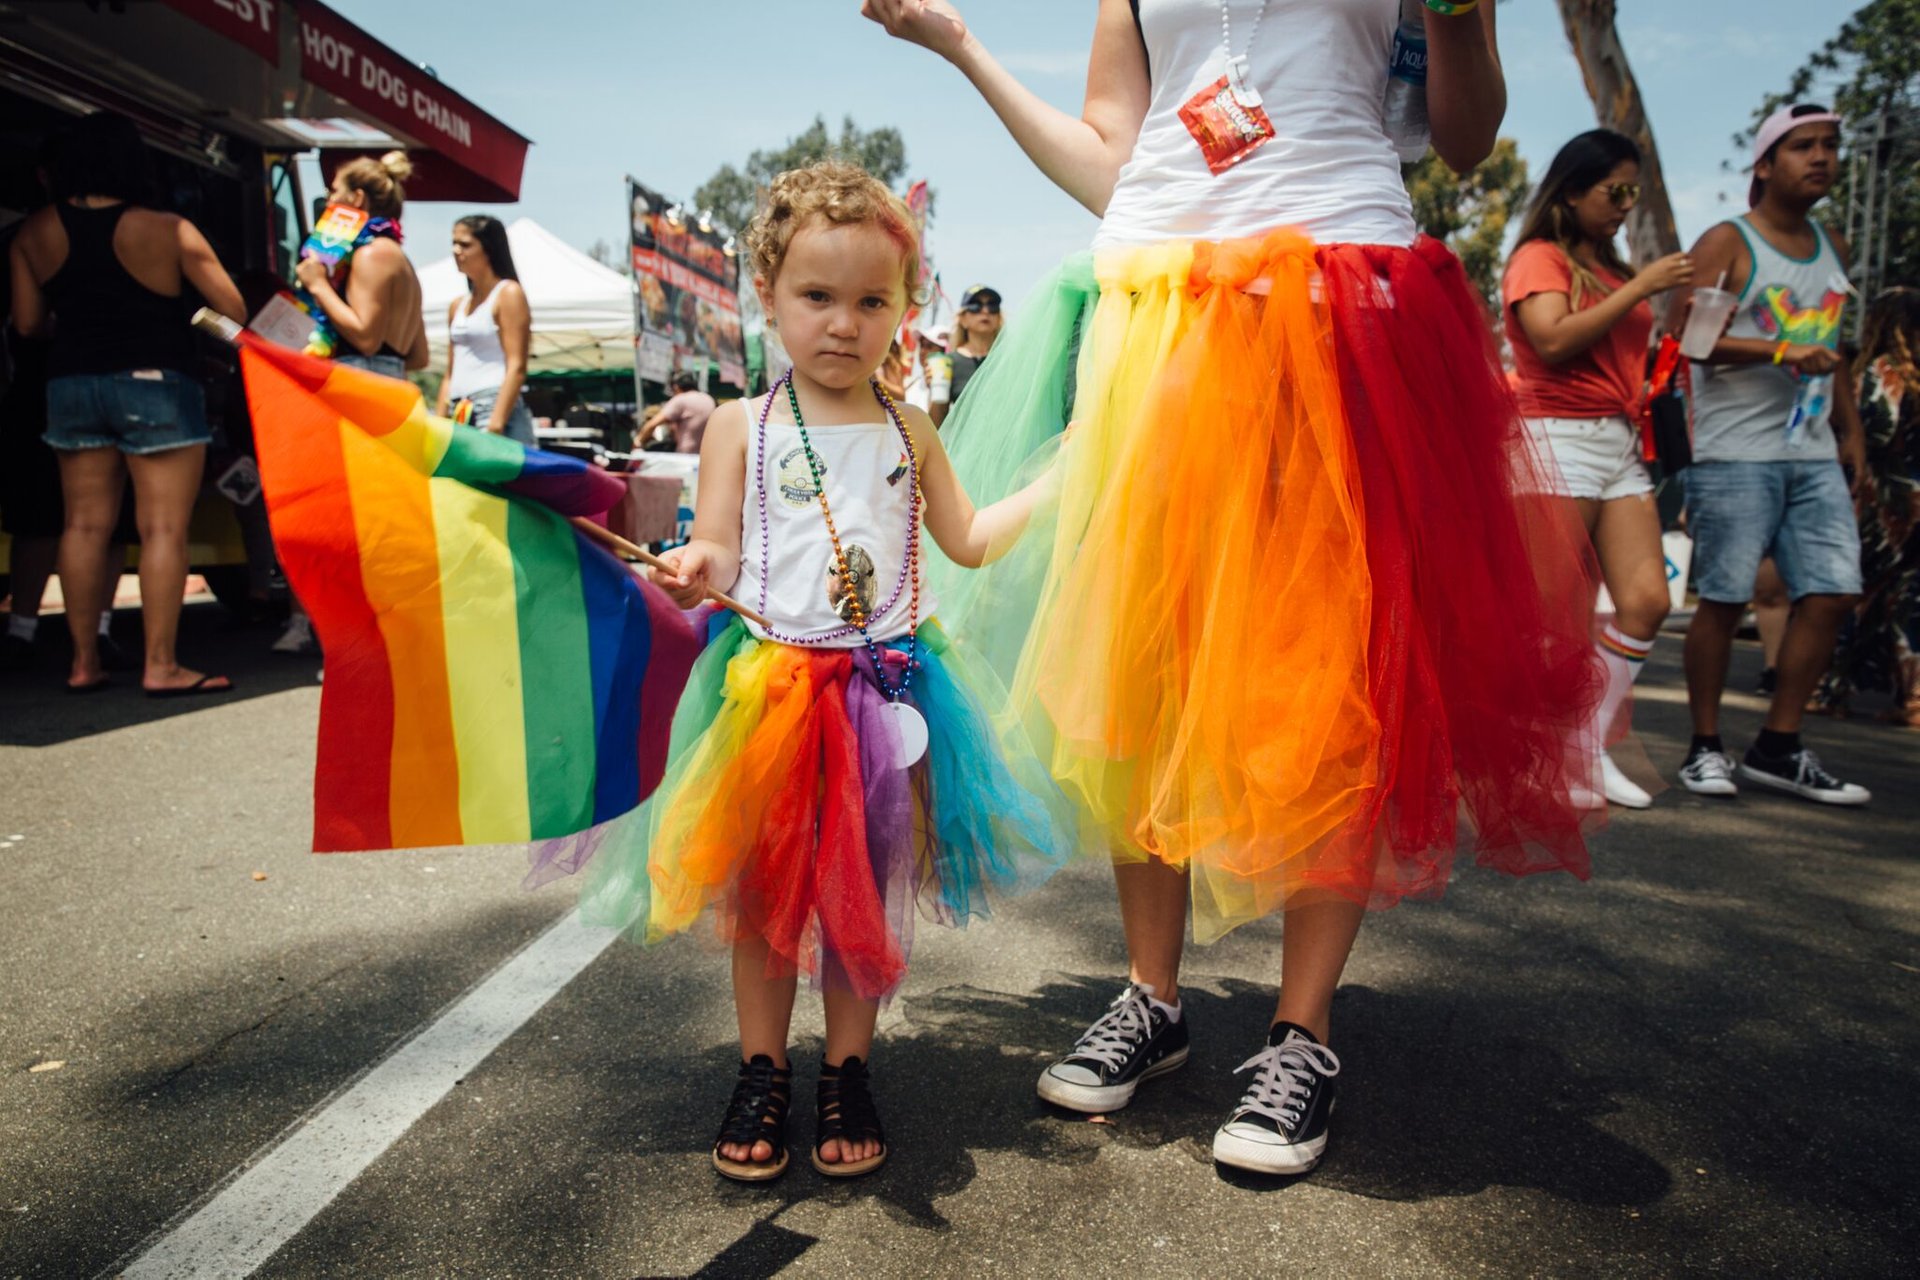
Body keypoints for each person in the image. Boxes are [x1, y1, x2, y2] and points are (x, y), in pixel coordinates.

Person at [867, 0, 1597, 1177]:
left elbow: (1464, 135)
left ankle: (1300, 1032)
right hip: (1159, 311)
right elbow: (1115, 160)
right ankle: (1151, 997)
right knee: (1145, 663)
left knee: (1332, 666)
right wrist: (960, 48)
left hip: (1340, 303)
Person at [554, 161, 1073, 1183]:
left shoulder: (908, 428)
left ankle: (847, 1069)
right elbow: (714, 545)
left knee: (859, 901)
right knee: (763, 902)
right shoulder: (745, 425)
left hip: (884, 696)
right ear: (770, 298)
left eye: (871, 300)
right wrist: (696, 567)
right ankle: (762, 1069)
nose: (844, 322)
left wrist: (1060, 484)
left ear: (904, 308)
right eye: (817, 297)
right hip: (770, 694)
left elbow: (964, 539)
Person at [7, 111, 246, 696]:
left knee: (83, 524)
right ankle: (161, 665)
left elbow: (29, 324)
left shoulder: (34, 233)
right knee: (163, 526)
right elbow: (234, 312)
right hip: (157, 380)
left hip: (70, 384)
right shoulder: (168, 229)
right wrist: (190, 317)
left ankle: (83, 661)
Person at [1675, 103, 1869, 805]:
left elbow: (1835, 345)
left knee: (1834, 588)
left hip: (1812, 450)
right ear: (1764, 165)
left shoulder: (1832, 246)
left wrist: (1852, 435)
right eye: (1802, 147)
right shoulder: (1730, 242)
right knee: (1725, 598)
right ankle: (1705, 748)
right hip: (1735, 452)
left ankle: (1778, 746)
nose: (1820, 157)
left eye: (1829, 146)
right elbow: (1689, 341)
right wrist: (1783, 349)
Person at [1503, 129, 1693, 809]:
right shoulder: (1538, 258)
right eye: (1615, 191)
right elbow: (1551, 340)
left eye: (1632, 192)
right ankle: (1543, 756)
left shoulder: (1610, 268)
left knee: (1646, 602)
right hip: (1556, 438)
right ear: (1573, 188)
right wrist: (1642, 284)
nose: (1625, 205)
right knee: (1557, 618)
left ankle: (1581, 744)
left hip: (1618, 441)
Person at [277, 151, 428, 656]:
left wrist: (319, 286)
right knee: (377, 520)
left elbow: (363, 335)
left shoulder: (371, 255)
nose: (328, 204)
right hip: (393, 386)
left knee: (345, 522)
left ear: (358, 201)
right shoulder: (400, 259)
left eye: (335, 194)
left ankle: (345, 636)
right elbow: (420, 352)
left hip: (361, 384)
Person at [1814, 287, 1920, 724]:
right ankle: (1911, 699)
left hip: (1883, 502)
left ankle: (1832, 691)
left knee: (1852, 592)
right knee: (1907, 599)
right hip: (1914, 496)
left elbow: (1877, 429)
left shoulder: (1883, 373)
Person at [437, 214, 533, 444]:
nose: (456, 250)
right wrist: (439, 421)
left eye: (465, 244)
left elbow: (517, 365)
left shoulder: (508, 293)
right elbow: (450, 372)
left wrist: (496, 423)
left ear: (488, 248)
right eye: (454, 243)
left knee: (493, 481)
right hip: (459, 409)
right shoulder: (457, 305)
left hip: (493, 406)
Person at [929, 284, 999, 426]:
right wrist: (934, 389)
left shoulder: (1007, 359)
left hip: (1007, 445)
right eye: (975, 306)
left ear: (998, 318)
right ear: (963, 319)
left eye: (992, 306)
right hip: (964, 446)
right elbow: (937, 424)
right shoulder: (949, 362)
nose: (985, 311)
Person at [636, 370, 716, 453]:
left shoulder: (680, 399)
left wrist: (638, 442)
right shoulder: (708, 399)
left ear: (676, 387)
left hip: (686, 456)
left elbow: (652, 425)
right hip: (706, 455)